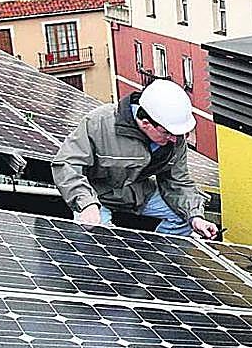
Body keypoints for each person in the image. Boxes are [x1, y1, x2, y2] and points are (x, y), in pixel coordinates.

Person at [51, 79, 219, 238]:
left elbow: (178, 182)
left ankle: (157, 258)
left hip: (138, 194)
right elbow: (67, 163)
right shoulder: (100, 123)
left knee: (184, 218)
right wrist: (86, 203)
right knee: (100, 237)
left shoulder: (174, 137)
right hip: (96, 195)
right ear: (146, 123)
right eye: (167, 133)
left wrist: (195, 216)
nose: (175, 139)